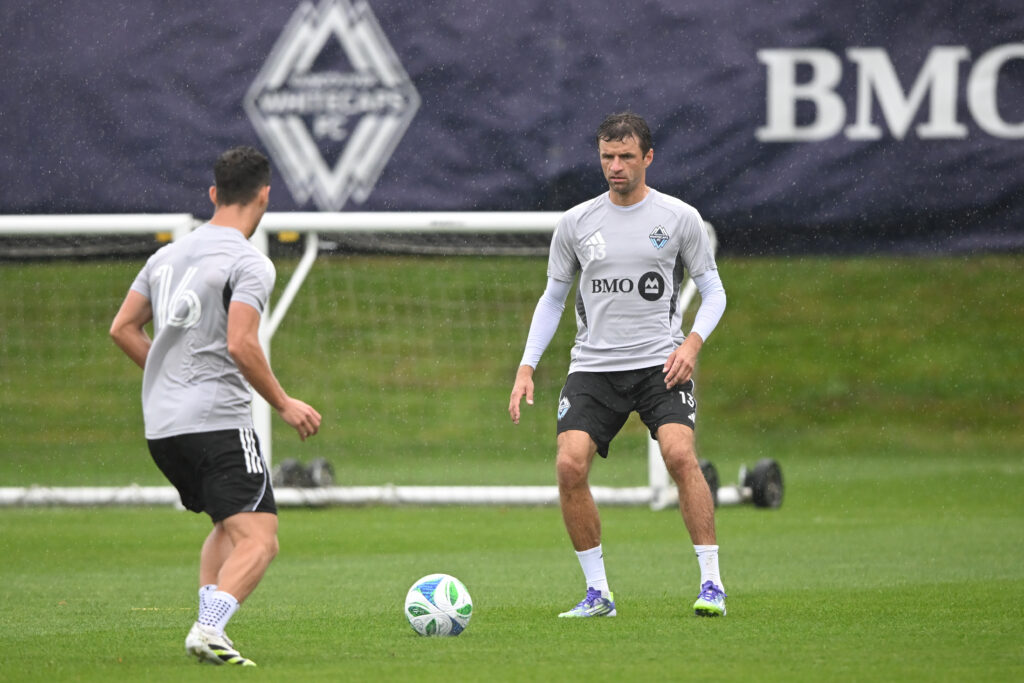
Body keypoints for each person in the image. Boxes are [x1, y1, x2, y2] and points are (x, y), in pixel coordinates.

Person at [508, 113, 728, 618]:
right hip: (594, 367)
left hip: (660, 364)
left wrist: (691, 344)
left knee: (679, 454)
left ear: (648, 157)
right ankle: (598, 594)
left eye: (626, 156)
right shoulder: (577, 223)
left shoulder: (678, 218)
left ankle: (712, 583)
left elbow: (714, 291)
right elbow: (553, 298)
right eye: (607, 156)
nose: (616, 166)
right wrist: (526, 366)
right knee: (568, 465)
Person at [110, 146, 322, 665]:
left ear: (213, 194)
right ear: (265, 195)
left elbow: (123, 328)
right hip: (217, 422)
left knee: (227, 526)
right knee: (261, 538)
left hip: (163, 428)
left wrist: (173, 379)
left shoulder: (166, 256)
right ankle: (207, 630)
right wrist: (283, 402)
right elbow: (242, 344)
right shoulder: (249, 262)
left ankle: (210, 630)